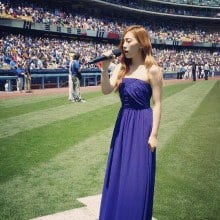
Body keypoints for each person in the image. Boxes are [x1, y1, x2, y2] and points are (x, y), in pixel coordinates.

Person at [98, 25, 163, 220]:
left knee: (137, 177)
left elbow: (158, 104)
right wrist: (105, 69)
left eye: (129, 41)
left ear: (141, 43)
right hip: (123, 124)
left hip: (143, 124)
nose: (124, 45)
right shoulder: (120, 67)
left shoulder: (153, 70)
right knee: (118, 174)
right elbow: (106, 90)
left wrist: (153, 134)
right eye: (123, 41)